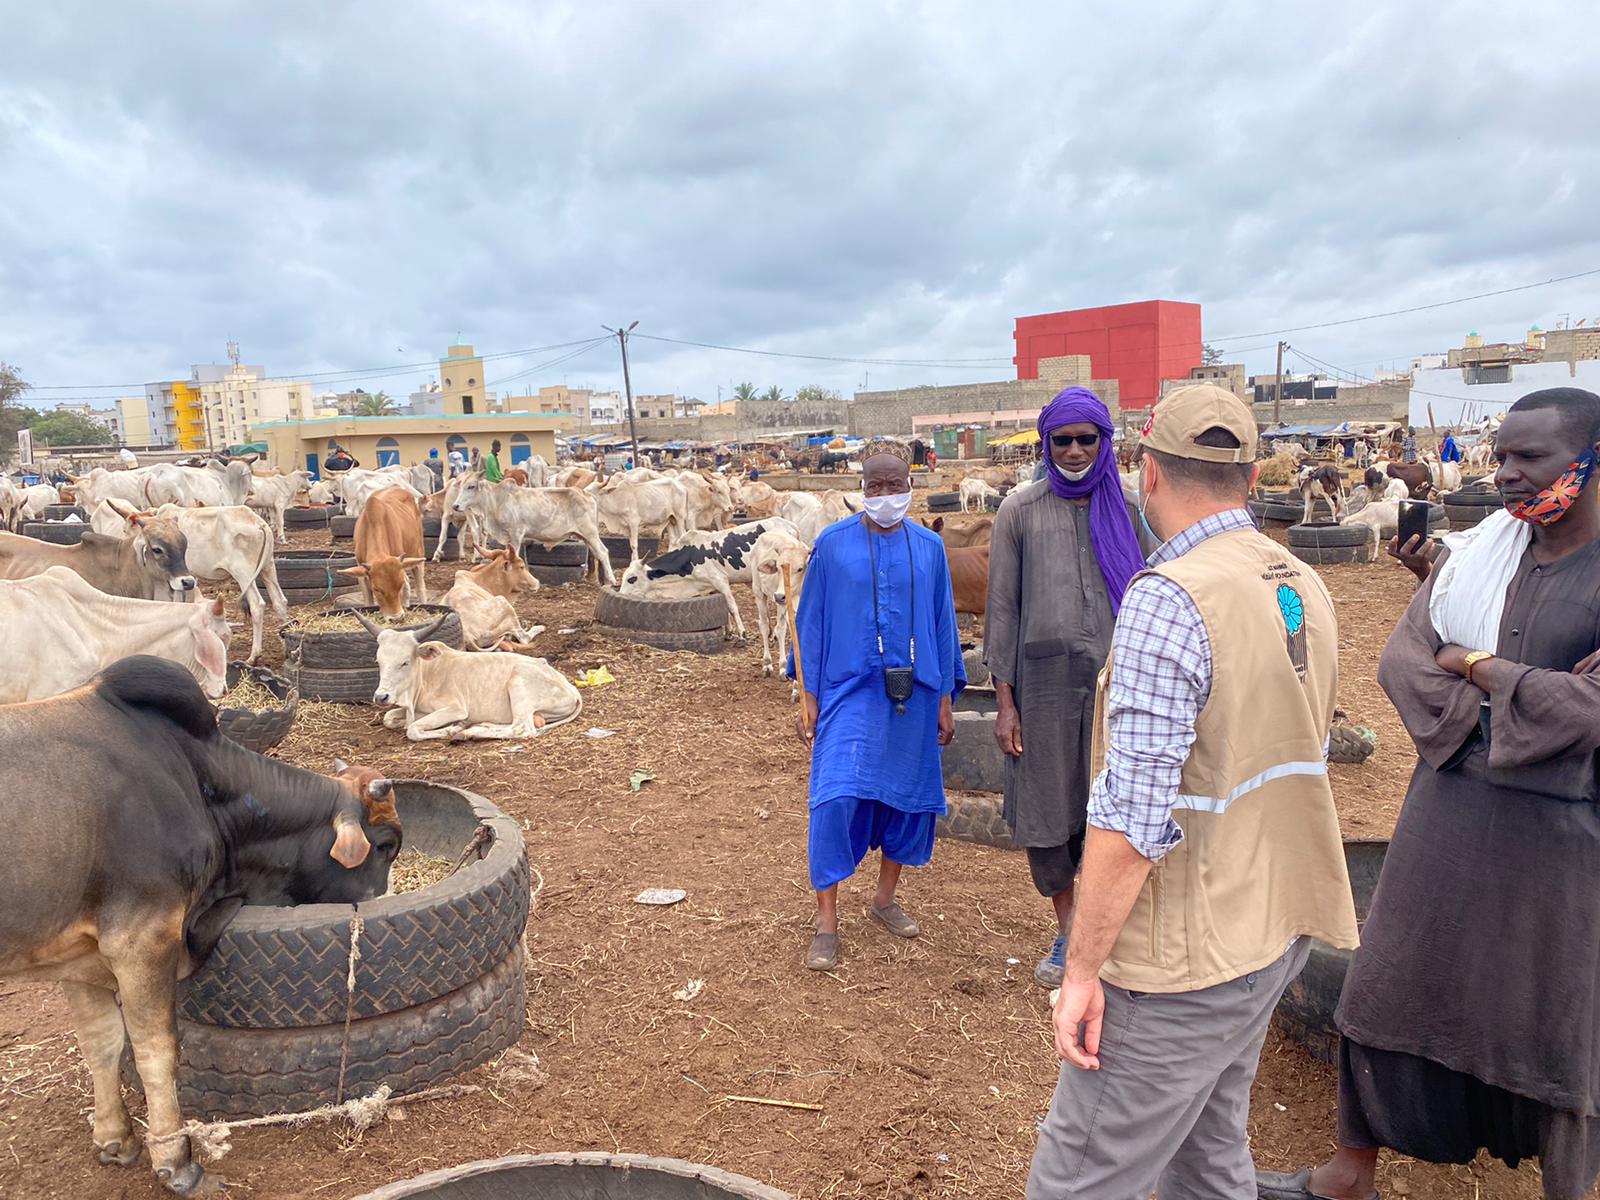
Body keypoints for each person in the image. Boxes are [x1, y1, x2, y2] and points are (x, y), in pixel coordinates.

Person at [1259, 388, 1600, 1200]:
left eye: (1531, 459)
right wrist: (1515, 714)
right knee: (1389, 988)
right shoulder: (1484, 556)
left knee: (1553, 1022)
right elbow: (1406, 663)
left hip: (1563, 840)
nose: (1510, 476)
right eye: (1504, 457)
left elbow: (1590, 709)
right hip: (1447, 810)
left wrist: (1481, 669)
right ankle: (1350, 1174)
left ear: (1588, 462)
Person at [1026, 383, 1358, 1199]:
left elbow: (1133, 818)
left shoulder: (1169, 599)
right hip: (1275, 929)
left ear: (1147, 473)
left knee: (1078, 1180)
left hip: (1183, 957)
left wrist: (1082, 969)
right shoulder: (1300, 584)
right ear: (1250, 479)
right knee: (1207, 1153)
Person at [985, 387, 1150, 988]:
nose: (1075, 451)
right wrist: (1006, 705)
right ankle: (1069, 931)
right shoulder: (1019, 510)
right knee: (1048, 810)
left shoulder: (1134, 507)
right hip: (1043, 686)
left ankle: (1115, 931)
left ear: (1106, 442)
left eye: (1087, 439)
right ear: (1046, 444)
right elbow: (1001, 611)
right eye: (1063, 440)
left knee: (1120, 804)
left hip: (1120, 683)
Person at [789, 441, 964, 972]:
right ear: (860, 489)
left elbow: (942, 623)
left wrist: (946, 700)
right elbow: (811, 623)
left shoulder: (929, 548)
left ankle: (884, 899)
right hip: (847, 691)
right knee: (834, 797)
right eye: (875, 486)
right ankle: (826, 921)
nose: (885, 495)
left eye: (895, 485)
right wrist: (807, 696)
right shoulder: (833, 545)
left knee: (907, 799)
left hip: (914, 695)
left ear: (911, 486)